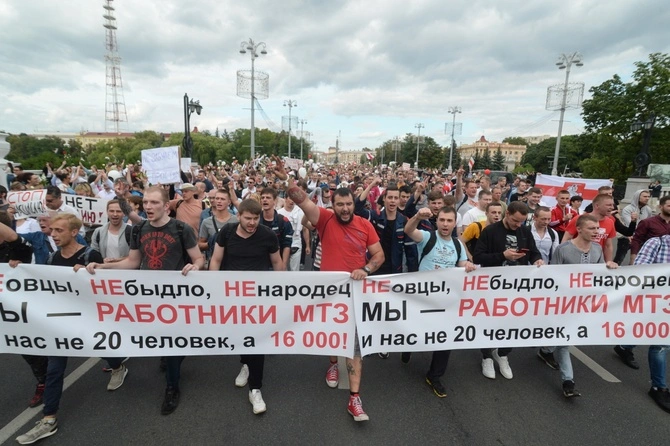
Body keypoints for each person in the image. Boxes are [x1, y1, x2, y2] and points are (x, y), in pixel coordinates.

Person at [85, 186, 204, 415]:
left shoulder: (182, 229)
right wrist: (102, 267)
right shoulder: (139, 229)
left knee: (172, 343)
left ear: (166, 206)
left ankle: (172, 387)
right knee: (162, 338)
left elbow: (199, 258)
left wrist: (195, 266)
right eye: (146, 202)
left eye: (154, 202)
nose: (148, 207)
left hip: (175, 296)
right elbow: (133, 261)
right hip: (149, 295)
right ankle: (172, 358)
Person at [15, 214, 127, 445]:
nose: (53, 234)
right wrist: (18, 270)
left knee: (103, 350)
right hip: (61, 322)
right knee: (54, 369)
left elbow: (105, 289)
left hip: (88, 319)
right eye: (52, 230)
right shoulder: (52, 258)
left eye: (59, 230)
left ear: (74, 232)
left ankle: (118, 366)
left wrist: (87, 273)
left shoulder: (89, 255)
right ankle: (49, 418)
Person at [287, 172, 384, 422]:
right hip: (329, 293)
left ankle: (354, 398)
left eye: (349, 203)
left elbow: (378, 255)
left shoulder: (365, 225)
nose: (345, 208)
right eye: (340, 204)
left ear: (354, 204)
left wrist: (366, 269)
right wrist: (288, 180)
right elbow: (299, 198)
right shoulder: (325, 219)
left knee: (355, 346)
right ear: (333, 205)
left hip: (355, 293)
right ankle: (332, 363)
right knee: (332, 335)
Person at [209, 199, 284, 414]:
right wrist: (212, 286)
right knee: (240, 335)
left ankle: (255, 388)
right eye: (248, 218)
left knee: (257, 341)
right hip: (232, 295)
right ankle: (246, 364)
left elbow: (277, 263)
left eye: (256, 218)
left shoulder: (267, 235)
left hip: (258, 298)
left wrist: (282, 290)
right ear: (239, 216)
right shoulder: (227, 232)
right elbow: (216, 260)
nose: (252, 223)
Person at [537, 214, 618, 398]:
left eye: (597, 228)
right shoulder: (563, 249)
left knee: (562, 338)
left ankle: (546, 350)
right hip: (563, 304)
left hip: (582, 304)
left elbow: (599, 274)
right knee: (564, 342)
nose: (596, 232)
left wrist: (609, 266)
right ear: (579, 229)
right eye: (591, 228)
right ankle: (568, 382)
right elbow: (553, 277)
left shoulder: (597, 249)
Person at [404, 206, 476, 397]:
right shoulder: (428, 237)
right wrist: (417, 216)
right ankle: (407, 345)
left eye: (449, 221)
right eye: (442, 220)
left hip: (445, 300)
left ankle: (434, 376)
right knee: (415, 330)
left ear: (454, 223)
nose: (445, 224)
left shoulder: (458, 244)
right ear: (437, 221)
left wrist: (467, 265)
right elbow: (409, 230)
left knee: (445, 338)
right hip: (422, 298)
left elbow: (461, 263)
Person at [473, 201, 544, 379]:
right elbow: (478, 257)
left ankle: (503, 353)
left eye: (521, 221)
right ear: (507, 214)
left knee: (515, 322)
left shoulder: (525, 231)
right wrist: (502, 255)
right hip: (493, 285)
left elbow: (533, 252)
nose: (518, 225)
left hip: (517, 286)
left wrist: (537, 259)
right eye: (515, 221)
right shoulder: (490, 231)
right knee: (489, 322)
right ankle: (486, 356)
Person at [625, 234, 670, 413]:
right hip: (657, 304)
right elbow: (640, 271)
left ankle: (624, 346)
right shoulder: (656, 243)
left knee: (647, 332)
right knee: (661, 344)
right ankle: (659, 387)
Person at [562, 193, 617, 263]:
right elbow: (566, 239)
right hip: (575, 258)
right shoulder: (579, 219)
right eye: (609, 205)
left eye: (612, 205)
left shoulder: (610, 222)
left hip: (595, 260)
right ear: (597, 206)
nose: (612, 207)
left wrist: (609, 262)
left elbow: (608, 246)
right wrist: (564, 258)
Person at [629, 196, 670, 264]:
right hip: (648, 259)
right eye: (669, 206)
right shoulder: (647, 222)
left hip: (666, 261)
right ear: (660, 207)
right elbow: (636, 240)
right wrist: (633, 258)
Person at [260, 187, 293, 270]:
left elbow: (287, 245)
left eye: (268, 198)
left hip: (276, 266)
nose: (265, 200)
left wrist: (284, 264)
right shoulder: (255, 220)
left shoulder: (283, 221)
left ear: (275, 201)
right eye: (262, 198)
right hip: (258, 265)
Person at [277, 193, 309, 271]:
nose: (292, 201)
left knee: (295, 270)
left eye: (294, 199)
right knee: (282, 269)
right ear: (285, 199)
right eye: (290, 198)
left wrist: (308, 245)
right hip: (283, 244)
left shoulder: (300, 212)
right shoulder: (278, 213)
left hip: (296, 243)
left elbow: (305, 229)